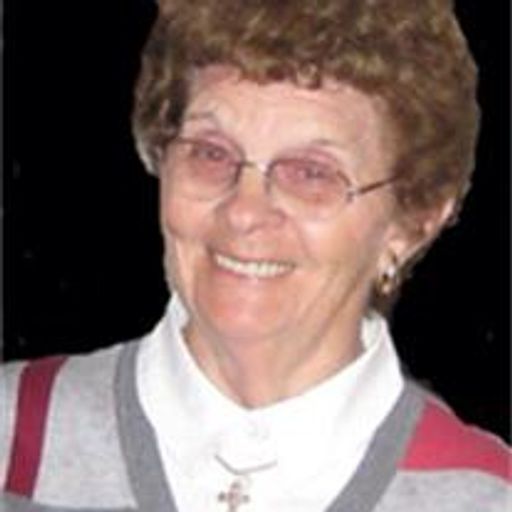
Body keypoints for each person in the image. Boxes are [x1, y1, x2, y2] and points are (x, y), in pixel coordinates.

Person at [1, 0, 510, 511]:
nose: (244, 212)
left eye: (311, 173)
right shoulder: (13, 438)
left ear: (415, 220)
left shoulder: (486, 497)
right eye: (211, 153)